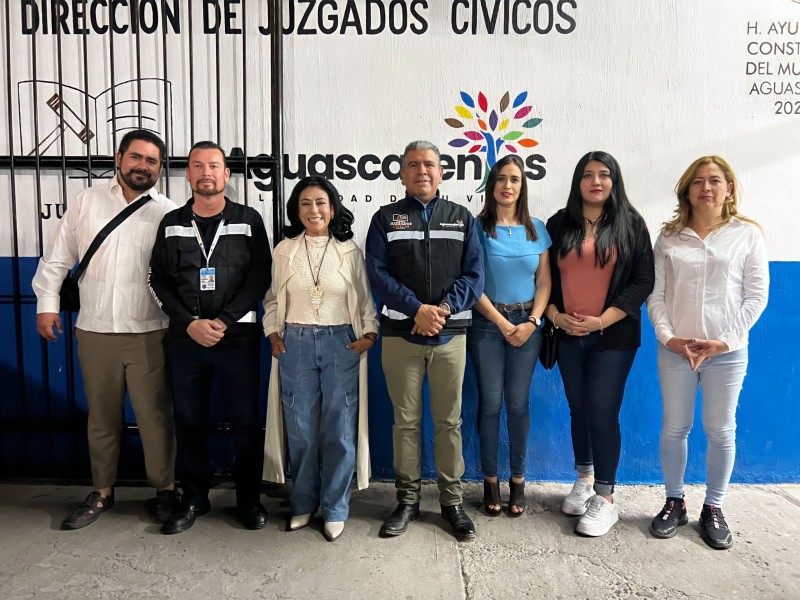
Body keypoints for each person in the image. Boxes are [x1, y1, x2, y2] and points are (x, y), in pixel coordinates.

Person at [32, 130, 179, 529]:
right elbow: (57, 257)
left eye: (151, 161)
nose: (142, 166)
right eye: (136, 157)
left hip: (149, 329)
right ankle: (102, 491)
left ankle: (165, 489)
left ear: (160, 169)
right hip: (95, 329)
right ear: (119, 158)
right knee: (101, 418)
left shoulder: (168, 212)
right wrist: (47, 304)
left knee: (155, 417)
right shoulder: (87, 202)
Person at [148, 141, 272, 534]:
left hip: (237, 337)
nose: (206, 173)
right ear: (187, 174)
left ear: (226, 174)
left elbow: (260, 275)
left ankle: (248, 498)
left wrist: (224, 320)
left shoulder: (248, 220)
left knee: (245, 422)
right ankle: (194, 499)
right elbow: (157, 280)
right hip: (186, 339)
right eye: (198, 166)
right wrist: (189, 323)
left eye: (214, 166)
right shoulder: (171, 223)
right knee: (188, 421)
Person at [647, 156, 768, 550]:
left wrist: (725, 341)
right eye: (698, 181)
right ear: (687, 190)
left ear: (728, 188)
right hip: (676, 351)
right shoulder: (669, 237)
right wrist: (669, 338)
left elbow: (756, 297)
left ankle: (713, 507)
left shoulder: (746, 235)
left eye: (715, 180)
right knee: (674, 427)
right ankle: (675, 501)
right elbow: (656, 295)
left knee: (720, 430)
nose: (706, 188)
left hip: (726, 354)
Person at [365, 140, 484, 541]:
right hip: (402, 336)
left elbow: (475, 275)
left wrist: (442, 310)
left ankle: (452, 503)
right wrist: (416, 310)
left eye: (429, 164)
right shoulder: (385, 219)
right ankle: (407, 501)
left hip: (451, 336)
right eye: (413, 164)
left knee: (450, 422)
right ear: (402, 174)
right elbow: (378, 274)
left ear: (441, 172)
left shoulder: (462, 218)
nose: (422, 171)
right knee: (406, 422)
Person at [262, 176, 378, 542]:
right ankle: (302, 502)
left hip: (340, 342)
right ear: (296, 211)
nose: (314, 210)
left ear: (333, 208)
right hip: (294, 343)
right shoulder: (284, 250)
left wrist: (369, 335)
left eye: (321, 202)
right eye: (305, 203)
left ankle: (335, 508)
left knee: (340, 429)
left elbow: (365, 301)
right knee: (300, 428)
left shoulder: (349, 251)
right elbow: (272, 299)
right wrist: (273, 333)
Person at [544, 151, 654, 537]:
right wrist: (554, 315)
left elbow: (643, 281)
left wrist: (602, 320)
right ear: (578, 181)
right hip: (567, 336)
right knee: (578, 408)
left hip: (613, 337)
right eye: (588, 175)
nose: (596, 181)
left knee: (603, 412)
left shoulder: (630, 223)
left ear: (614, 181)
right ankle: (584, 478)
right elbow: (544, 278)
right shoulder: (559, 223)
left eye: (604, 175)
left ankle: (606, 498)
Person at [466, 155, 551, 517]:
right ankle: (490, 480)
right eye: (501, 178)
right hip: (488, 324)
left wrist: (532, 321)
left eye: (514, 179)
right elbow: (472, 283)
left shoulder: (537, 228)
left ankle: (518, 481)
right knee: (490, 404)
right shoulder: (476, 228)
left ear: (522, 186)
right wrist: (501, 322)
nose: (507, 185)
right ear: (491, 185)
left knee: (518, 405)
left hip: (528, 325)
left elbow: (544, 282)